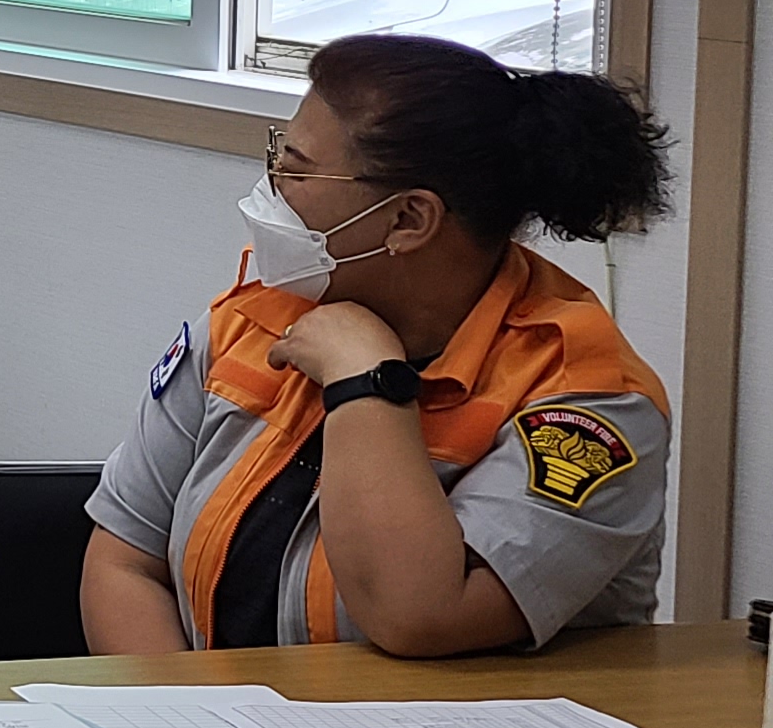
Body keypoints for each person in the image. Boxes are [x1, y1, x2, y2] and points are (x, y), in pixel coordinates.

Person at [83, 35, 675, 657]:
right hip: (218, 715)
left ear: (408, 220)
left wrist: (365, 381)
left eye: (298, 168)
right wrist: (181, 712)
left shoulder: (590, 399)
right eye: (278, 155)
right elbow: (125, 559)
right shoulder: (255, 316)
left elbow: (419, 616)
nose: (274, 184)